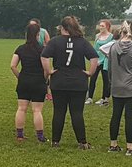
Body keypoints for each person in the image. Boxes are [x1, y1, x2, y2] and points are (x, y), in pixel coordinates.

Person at [41, 16, 99, 149]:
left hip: (59, 81)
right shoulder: (82, 42)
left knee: (59, 112)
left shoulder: (55, 41)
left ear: (63, 28)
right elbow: (94, 57)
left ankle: (55, 142)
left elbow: (44, 56)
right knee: (77, 113)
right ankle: (82, 143)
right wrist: (90, 72)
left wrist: (49, 71)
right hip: (78, 82)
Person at [106, 21, 132, 155]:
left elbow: (110, 68)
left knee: (115, 116)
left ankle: (113, 145)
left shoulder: (112, 47)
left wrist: (113, 82)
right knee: (129, 117)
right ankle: (130, 147)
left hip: (117, 86)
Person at [11, 21, 47, 143]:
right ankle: (40, 137)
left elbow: (13, 66)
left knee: (21, 108)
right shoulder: (42, 50)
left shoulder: (20, 49)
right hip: (38, 81)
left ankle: (20, 135)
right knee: (37, 110)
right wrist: (45, 79)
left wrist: (20, 77)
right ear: (38, 34)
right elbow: (46, 68)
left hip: (24, 81)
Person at [89, 19, 114, 106]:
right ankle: (89, 97)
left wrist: (102, 60)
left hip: (106, 60)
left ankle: (104, 98)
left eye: (102, 26)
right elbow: (95, 49)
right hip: (97, 60)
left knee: (106, 80)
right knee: (92, 78)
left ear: (107, 27)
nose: (100, 27)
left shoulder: (111, 37)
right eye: (100, 26)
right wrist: (95, 60)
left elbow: (110, 49)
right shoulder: (97, 36)